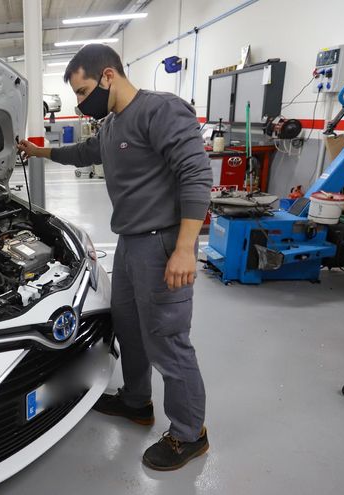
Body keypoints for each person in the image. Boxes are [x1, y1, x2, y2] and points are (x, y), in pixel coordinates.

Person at [17, 43, 212, 471]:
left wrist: (184, 248)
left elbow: (196, 174)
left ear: (108, 76)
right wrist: (39, 152)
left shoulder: (159, 110)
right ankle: (136, 401)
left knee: (167, 339)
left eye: (84, 92)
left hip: (163, 244)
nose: (82, 104)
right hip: (129, 245)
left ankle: (189, 433)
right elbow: (83, 154)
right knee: (127, 326)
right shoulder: (110, 126)